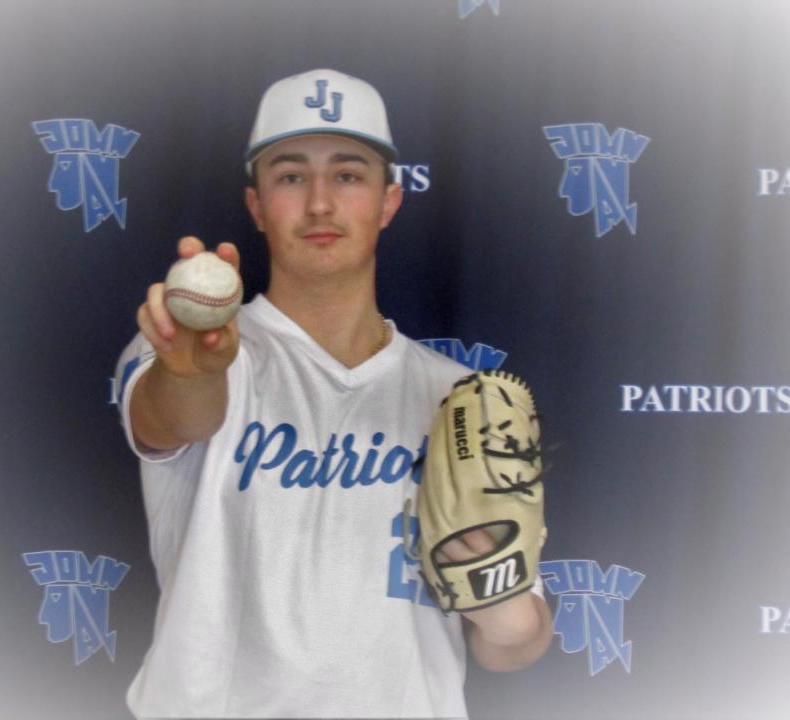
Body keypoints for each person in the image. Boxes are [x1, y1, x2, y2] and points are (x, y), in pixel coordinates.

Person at [115, 68, 551, 719]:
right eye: (291, 176)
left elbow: (515, 645)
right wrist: (191, 373)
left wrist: (497, 589)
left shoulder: (462, 401)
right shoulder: (186, 349)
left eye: (348, 175)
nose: (319, 203)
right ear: (258, 205)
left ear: (389, 200)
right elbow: (170, 418)